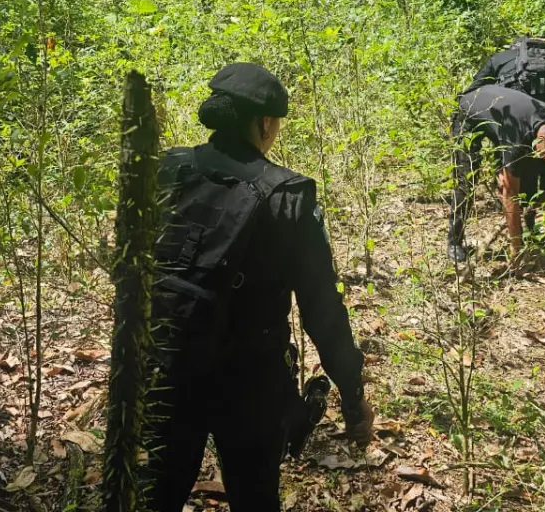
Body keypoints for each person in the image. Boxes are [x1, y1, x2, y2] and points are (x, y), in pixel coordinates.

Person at [142, 63, 374, 512]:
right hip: (250, 383)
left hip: (168, 365)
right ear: (265, 122)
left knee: (159, 491)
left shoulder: (167, 169)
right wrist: (352, 392)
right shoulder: (287, 196)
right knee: (255, 498)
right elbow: (322, 308)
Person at [447, 84, 545, 263]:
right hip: (469, 111)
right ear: (541, 141)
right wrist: (515, 246)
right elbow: (510, 195)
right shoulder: (516, 141)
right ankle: (454, 241)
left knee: (529, 168)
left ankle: (529, 229)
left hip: (500, 113)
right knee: (466, 179)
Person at [462, 35, 545, 210]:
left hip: (513, 115)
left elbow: (475, 88)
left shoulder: (501, 58)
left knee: (509, 151)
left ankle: (511, 197)